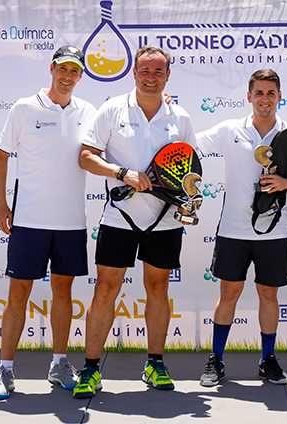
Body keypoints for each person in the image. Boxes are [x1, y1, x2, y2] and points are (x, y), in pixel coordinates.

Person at [73, 45, 198, 399]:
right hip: (119, 217)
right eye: (145, 70)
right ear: (134, 73)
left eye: (159, 71)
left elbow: (189, 171)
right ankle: (91, 367)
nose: (151, 77)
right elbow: (86, 157)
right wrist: (122, 173)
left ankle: (155, 362)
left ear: (168, 76)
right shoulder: (112, 109)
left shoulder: (181, 117)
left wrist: (189, 201)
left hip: (165, 221)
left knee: (158, 289)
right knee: (105, 290)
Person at [0, 45, 98, 400]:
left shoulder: (90, 112)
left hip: (70, 222)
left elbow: (123, 122)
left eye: (75, 71)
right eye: (63, 69)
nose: (68, 76)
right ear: (52, 69)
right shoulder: (24, 107)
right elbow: (2, 154)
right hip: (30, 221)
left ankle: (60, 363)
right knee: (18, 293)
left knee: (63, 293)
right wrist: (2, 203)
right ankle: (4, 370)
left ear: (81, 76)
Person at [194, 69, 287, 387]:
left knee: (268, 294)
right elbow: (189, 145)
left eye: (270, 93)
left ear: (279, 96)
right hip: (233, 231)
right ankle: (216, 360)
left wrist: (284, 182)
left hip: (274, 231)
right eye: (259, 93)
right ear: (249, 96)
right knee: (228, 293)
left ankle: (268, 360)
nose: (264, 98)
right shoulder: (229, 129)